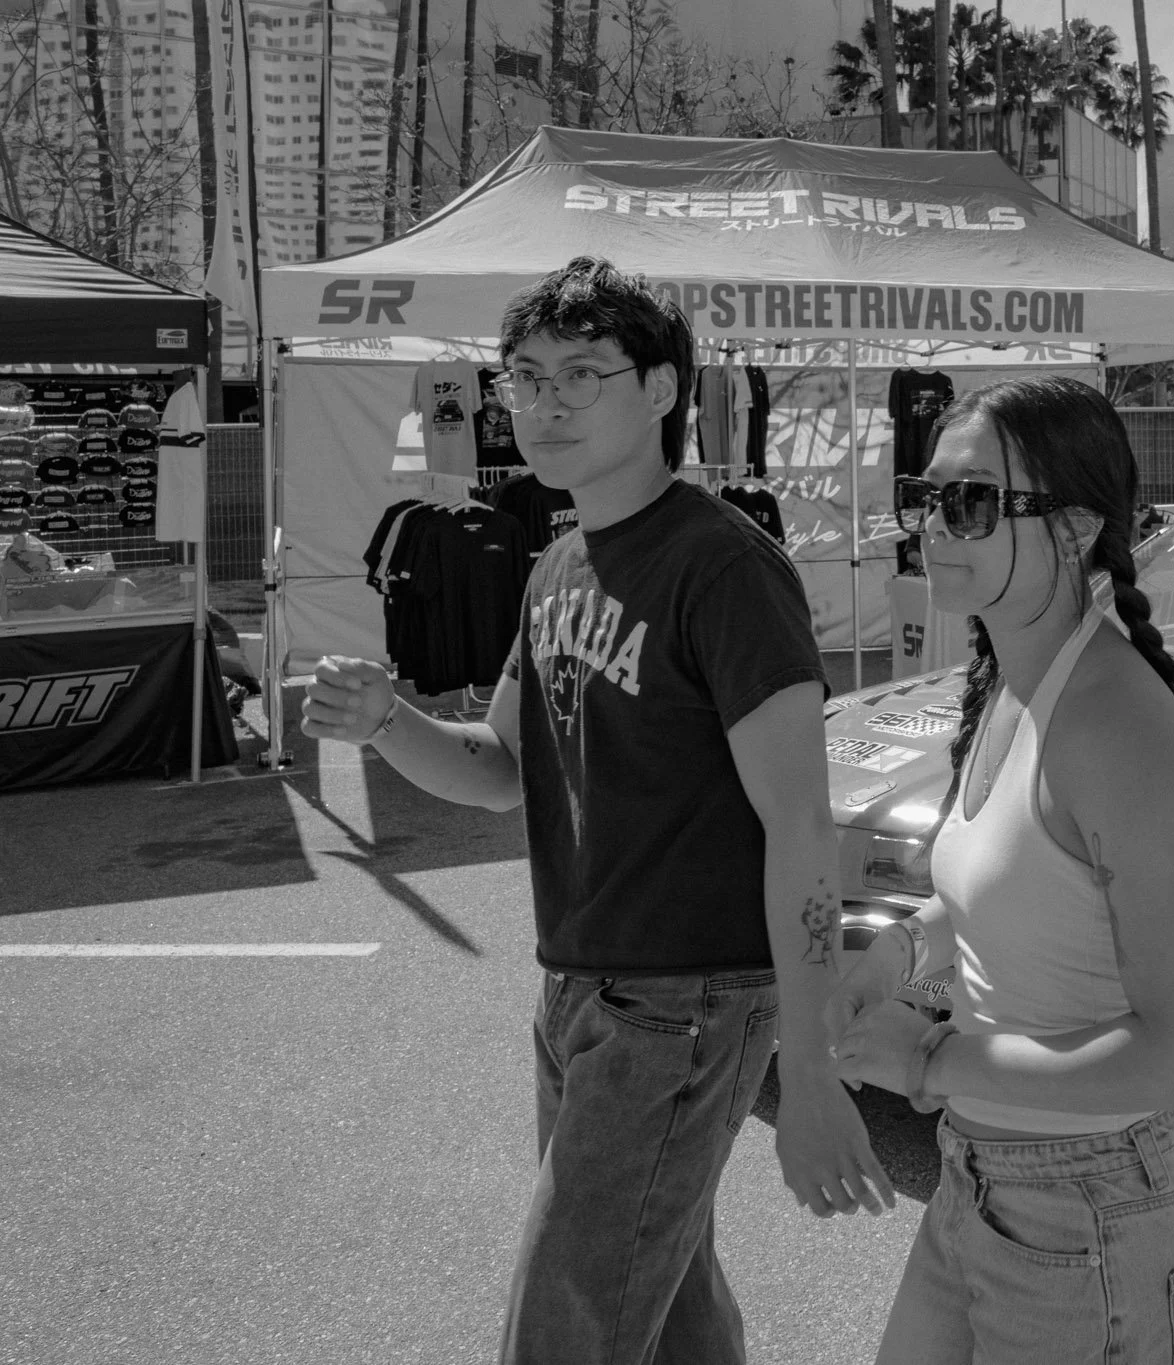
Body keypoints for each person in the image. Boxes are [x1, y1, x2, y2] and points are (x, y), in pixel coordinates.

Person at [300, 256, 892, 1365]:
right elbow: (494, 769)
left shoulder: (723, 567)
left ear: (662, 390)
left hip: (685, 1006)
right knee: (660, 1308)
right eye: (524, 376)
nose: (545, 401)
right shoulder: (559, 564)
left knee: (564, 1324)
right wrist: (386, 720)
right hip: (579, 990)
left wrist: (810, 1075)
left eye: (582, 373)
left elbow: (801, 830)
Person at [830, 376, 1174, 1364]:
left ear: (1075, 525)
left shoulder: (1112, 722)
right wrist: (890, 959)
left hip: (1098, 1213)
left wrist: (924, 1063)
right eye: (926, 495)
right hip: (982, 1182)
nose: (935, 526)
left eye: (970, 501)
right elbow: (1000, 900)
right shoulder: (1007, 681)